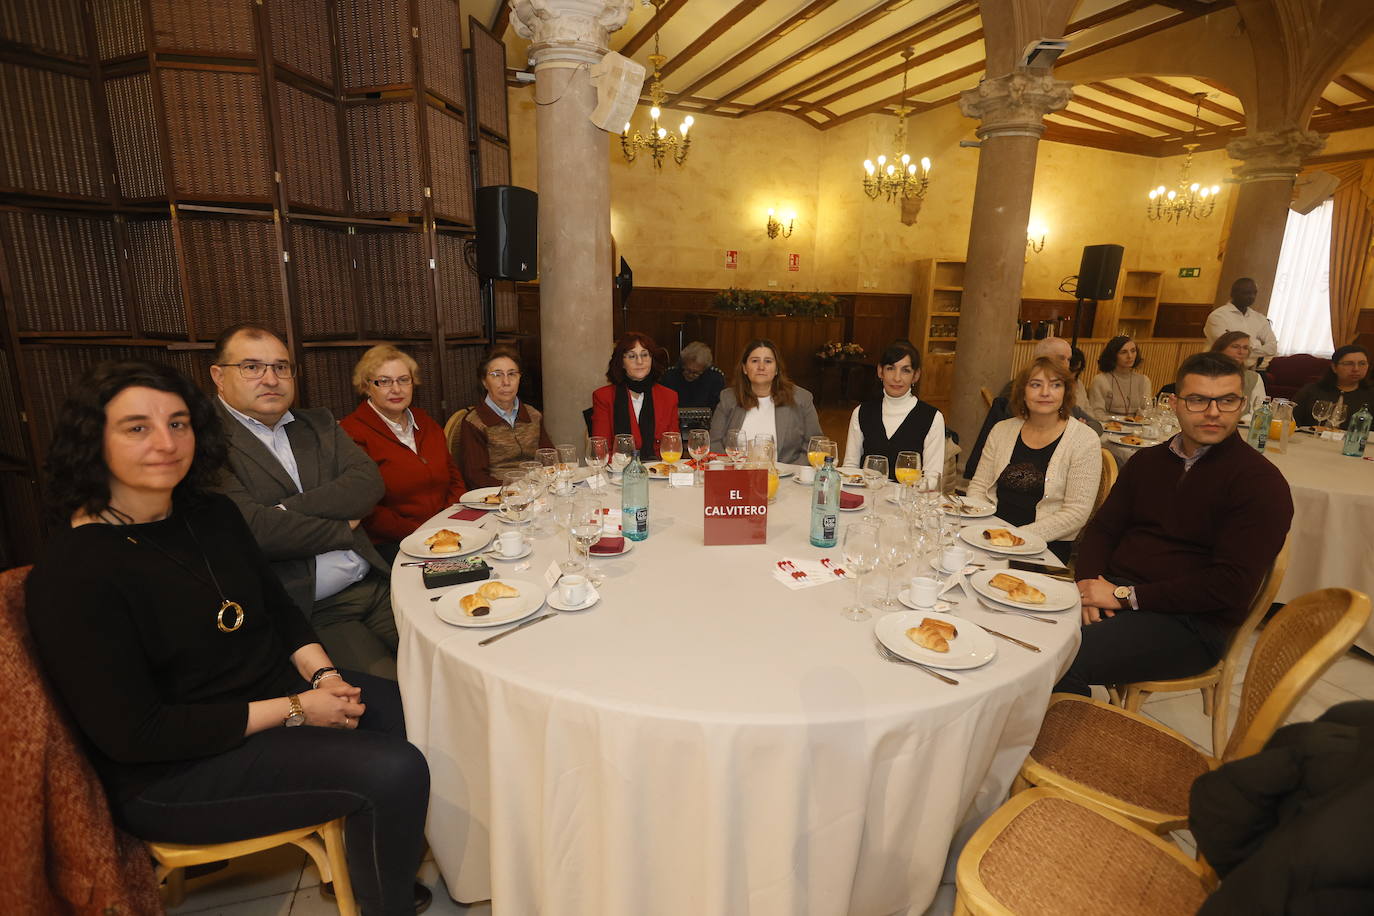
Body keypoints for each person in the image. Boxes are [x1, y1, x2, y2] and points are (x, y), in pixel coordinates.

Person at [25, 359, 431, 915]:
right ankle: (385, 904)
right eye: (136, 427)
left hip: (271, 696)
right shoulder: (75, 570)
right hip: (176, 767)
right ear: (91, 442)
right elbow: (136, 734)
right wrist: (297, 708)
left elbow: (280, 611)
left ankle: (382, 861)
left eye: (179, 422)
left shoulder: (211, 513)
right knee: (395, 769)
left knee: (421, 711)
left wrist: (325, 676)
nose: (165, 442)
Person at [1056, 351, 1293, 696]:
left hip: (1191, 624)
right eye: (1198, 400)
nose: (1213, 412)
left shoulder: (1259, 483)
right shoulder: (1147, 462)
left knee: (1059, 661)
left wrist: (1125, 597)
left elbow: (1229, 585)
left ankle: (1084, 747)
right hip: (1117, 592)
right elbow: (1103, 530)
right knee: (1024, 636)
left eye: (1226, 400)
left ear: (1242, 405)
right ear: (1174, 403)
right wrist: (1090, 587)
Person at [210, 323, 398, 679]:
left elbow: (367, 484)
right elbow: (254, 532)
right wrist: (343, 526)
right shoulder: (206, 442)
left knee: (457, 662)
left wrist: (284, 510)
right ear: (219, 376)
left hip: (376, 580)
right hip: (311, 608)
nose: (271, 379)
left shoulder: (318, 423)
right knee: (400, 692)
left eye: (281, 367)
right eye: (252, 367)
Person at [967, 358, 1102, 562]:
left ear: (1065, 392)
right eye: (1036, 385)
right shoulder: (1002, 430)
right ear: (1023, 391)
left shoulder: (1084, 439)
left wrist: (1015, 537)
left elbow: (1076, 513)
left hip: (1044, 547)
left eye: (1055, 385)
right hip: (990, 536)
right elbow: (979, 485)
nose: (1045, 392)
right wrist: (982, 528)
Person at [340, 344, 466, 562]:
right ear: (367, 386)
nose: (396, 389)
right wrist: (421, 533)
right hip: (392, 543)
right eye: (384, 381)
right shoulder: (351, 433)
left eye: (403, 380)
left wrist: (447, 520)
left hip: (445, 531)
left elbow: (454, 476)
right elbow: (366, 508)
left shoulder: (426, 422)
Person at [840, 340, 944, 478]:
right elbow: (850, 467)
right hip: (868, 495)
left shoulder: (932, 418)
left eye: (905, 370)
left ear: (916, 376)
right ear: (880, 371)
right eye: (890, 368)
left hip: (910, 498)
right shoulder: (862, 412)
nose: (897, 378)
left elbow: (932, 478)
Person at [710, 338, 822, 465]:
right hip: (737, 476)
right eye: (755, 361)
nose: (761, 367)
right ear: (744, 368)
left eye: (768, 361)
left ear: (777, 369)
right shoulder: (728, 398)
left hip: (786, 478)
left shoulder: (801, 399)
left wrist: (791, 472)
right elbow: (715, 443)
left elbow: (815, 445)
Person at [457, 345, 555, 487]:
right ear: (484, 382)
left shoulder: (533, 415)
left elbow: (549, 458)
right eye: (497, 375)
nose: (506, 382)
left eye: (512, 374)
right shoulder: (474, 422)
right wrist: (515, 489)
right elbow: (476, 478)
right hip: (498, 497)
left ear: (519, 378)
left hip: (538, 492)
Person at [591, 332, 680, 459]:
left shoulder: (669, 396)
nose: (640, 361)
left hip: (657, 471)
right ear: (621, 362)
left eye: (645, 355)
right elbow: (600, 450)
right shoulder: (603, 397)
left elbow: (673, 447)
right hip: (618, 473)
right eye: (632, 356)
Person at [996, 337, 1101, 434]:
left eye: (1068, 359)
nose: (1066, 364)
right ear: (1041, 358)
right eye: (1061, 358)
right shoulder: (1017, 388)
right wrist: (1072, 429)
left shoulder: (1063, 390)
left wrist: (1082, 429)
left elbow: (1097, 426)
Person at [1292, 343, 1373, 427]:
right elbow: (1291, 419)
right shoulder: (1311, 390)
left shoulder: (1370, 395)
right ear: (1334, 367)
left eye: (1362, 364)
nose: (1356, 369)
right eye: (1349, 363)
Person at [1205, 277, 1277, 371]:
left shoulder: (1259, 318)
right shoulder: (1218, 316)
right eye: (1246, 293)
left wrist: (1247, 347)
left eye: (1254, 293)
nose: (1251, 296)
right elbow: (1225, 347)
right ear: (1233, 293)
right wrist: (1257, 344)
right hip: (1218, 368)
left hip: (1249, 370)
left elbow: (1272, 348)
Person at [1087, 336, 1153, 421]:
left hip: (1136, 428)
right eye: (1123, 352)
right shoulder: (1100, 380)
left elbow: (1147, 410)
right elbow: (1096, 413)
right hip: (1108, 428)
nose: (1130, 356)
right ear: (1113, 355)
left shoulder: (1144, 381)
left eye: (1133, 351)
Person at [1209, 331, 1267, 419]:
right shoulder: (1203, 373)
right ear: (1220, 349)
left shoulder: (1253, 378)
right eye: (1235, 347)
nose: (1241, 352)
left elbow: (1259, 411)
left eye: (1245, 348)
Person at [660, 340, 726, 409]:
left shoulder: (715, 378)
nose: (690, 375)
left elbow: (718, 408)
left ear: (705, 369)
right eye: (688, 370)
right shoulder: (670, 376)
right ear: (683, 363)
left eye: (696, 373)